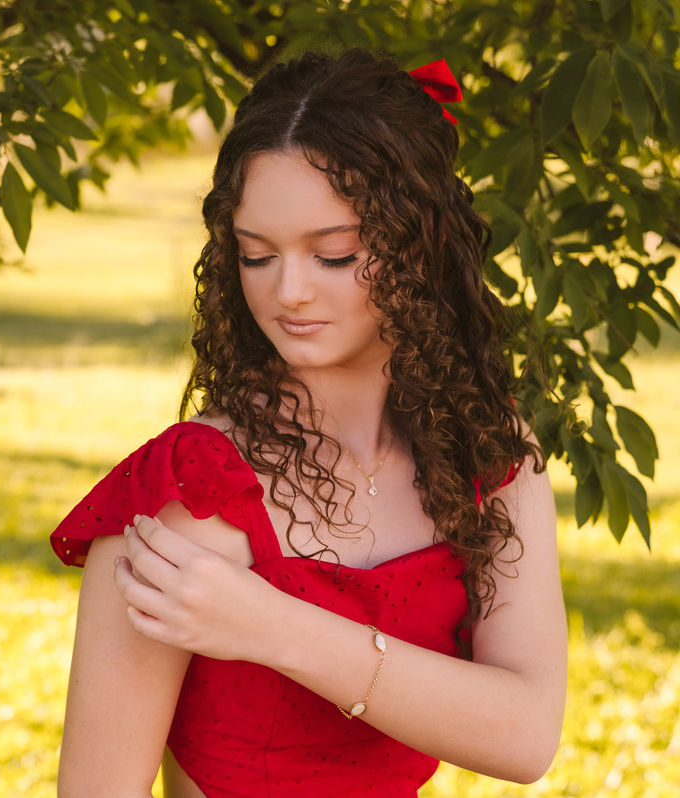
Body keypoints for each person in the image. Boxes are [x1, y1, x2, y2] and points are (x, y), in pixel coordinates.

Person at [50, 49, 567, 797]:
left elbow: (525, 738)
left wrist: (271, 627)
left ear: (418, 246)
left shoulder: (487, 459)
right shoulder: (192, 496)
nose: (288, 292)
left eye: (334, 255)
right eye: (256, 256)